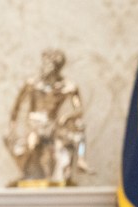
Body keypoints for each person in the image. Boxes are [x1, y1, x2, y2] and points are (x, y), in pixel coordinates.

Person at [5, 49, 87, 186]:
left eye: (48, 64)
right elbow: (16, 108)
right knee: (32, 144)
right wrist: (11, 129)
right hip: (33, 123)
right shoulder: (32, 84)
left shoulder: (68, 87)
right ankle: (29, 174)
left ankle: (80, 161)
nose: (43, 68)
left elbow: (79, 110)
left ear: (57, 67)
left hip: (52, 123)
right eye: (43, 64)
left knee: (78, 128)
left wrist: (66, 117)